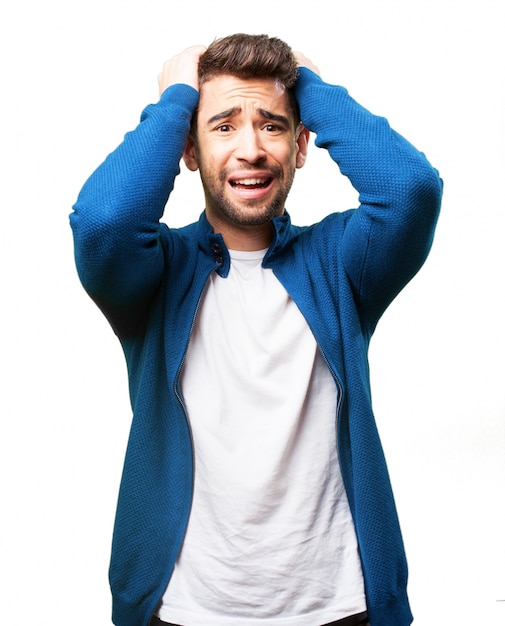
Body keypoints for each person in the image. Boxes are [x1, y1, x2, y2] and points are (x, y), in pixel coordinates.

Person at [70, 34, 442, 626]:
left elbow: (410, 190)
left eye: (271, 126)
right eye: (223, 126)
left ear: (300, 146)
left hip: (341, 608)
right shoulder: (154, 274)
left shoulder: (341, 262)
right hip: (184, 610)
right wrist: (175, 102)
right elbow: (104, 220)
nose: (250, 149)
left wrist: (314, 89)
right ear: (188, 149)